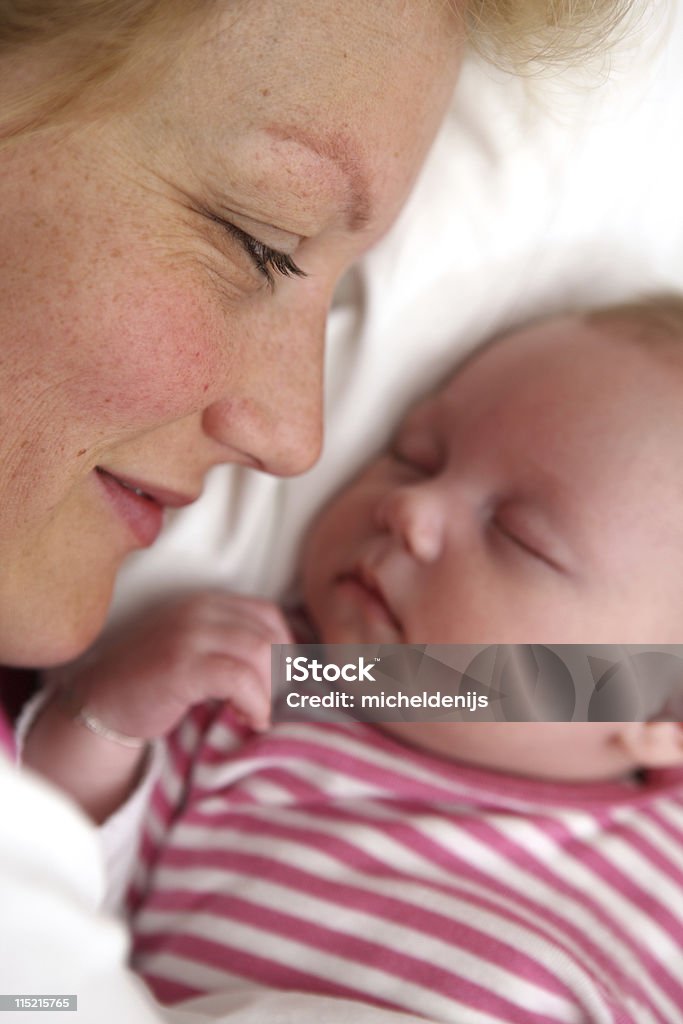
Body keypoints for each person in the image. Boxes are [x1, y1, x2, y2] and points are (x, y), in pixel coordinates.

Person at [24, 297, 683, 1023]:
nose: (410, 509)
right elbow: (41, 894)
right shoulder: (260, 687)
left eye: (520, 537)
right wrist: (106, 717)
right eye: (414, 457)